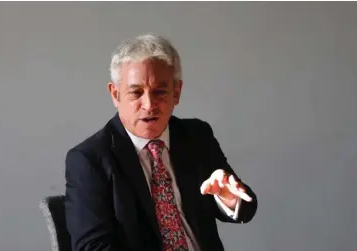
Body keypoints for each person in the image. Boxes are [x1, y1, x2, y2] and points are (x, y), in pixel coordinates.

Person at [64, 33, 258, 251]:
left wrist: (229, 199)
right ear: (115, 94)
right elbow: (92, 247)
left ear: (177, 92)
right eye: (136, 93)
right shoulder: (90, 160)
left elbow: (246, 208)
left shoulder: (196, 136)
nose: (149, 104)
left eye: (159, 92)